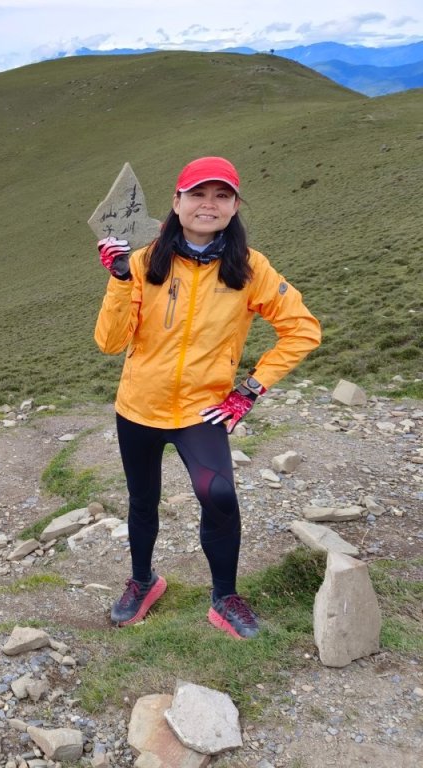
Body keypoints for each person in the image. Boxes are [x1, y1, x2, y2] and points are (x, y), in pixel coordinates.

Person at [93, 156, 321, 639]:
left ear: (235, 206)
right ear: (176, 203)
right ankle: (142, 581)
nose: (208, 205)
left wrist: (250, 389)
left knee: (219, 497)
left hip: (203, 411)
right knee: (142, 500)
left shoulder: (250, 267)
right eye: (197, 194)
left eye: (222, 196)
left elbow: (302, 329)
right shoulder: (141, 259)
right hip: (138, 408)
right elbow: (110, 342)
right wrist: (117, 281)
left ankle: (224, 596)